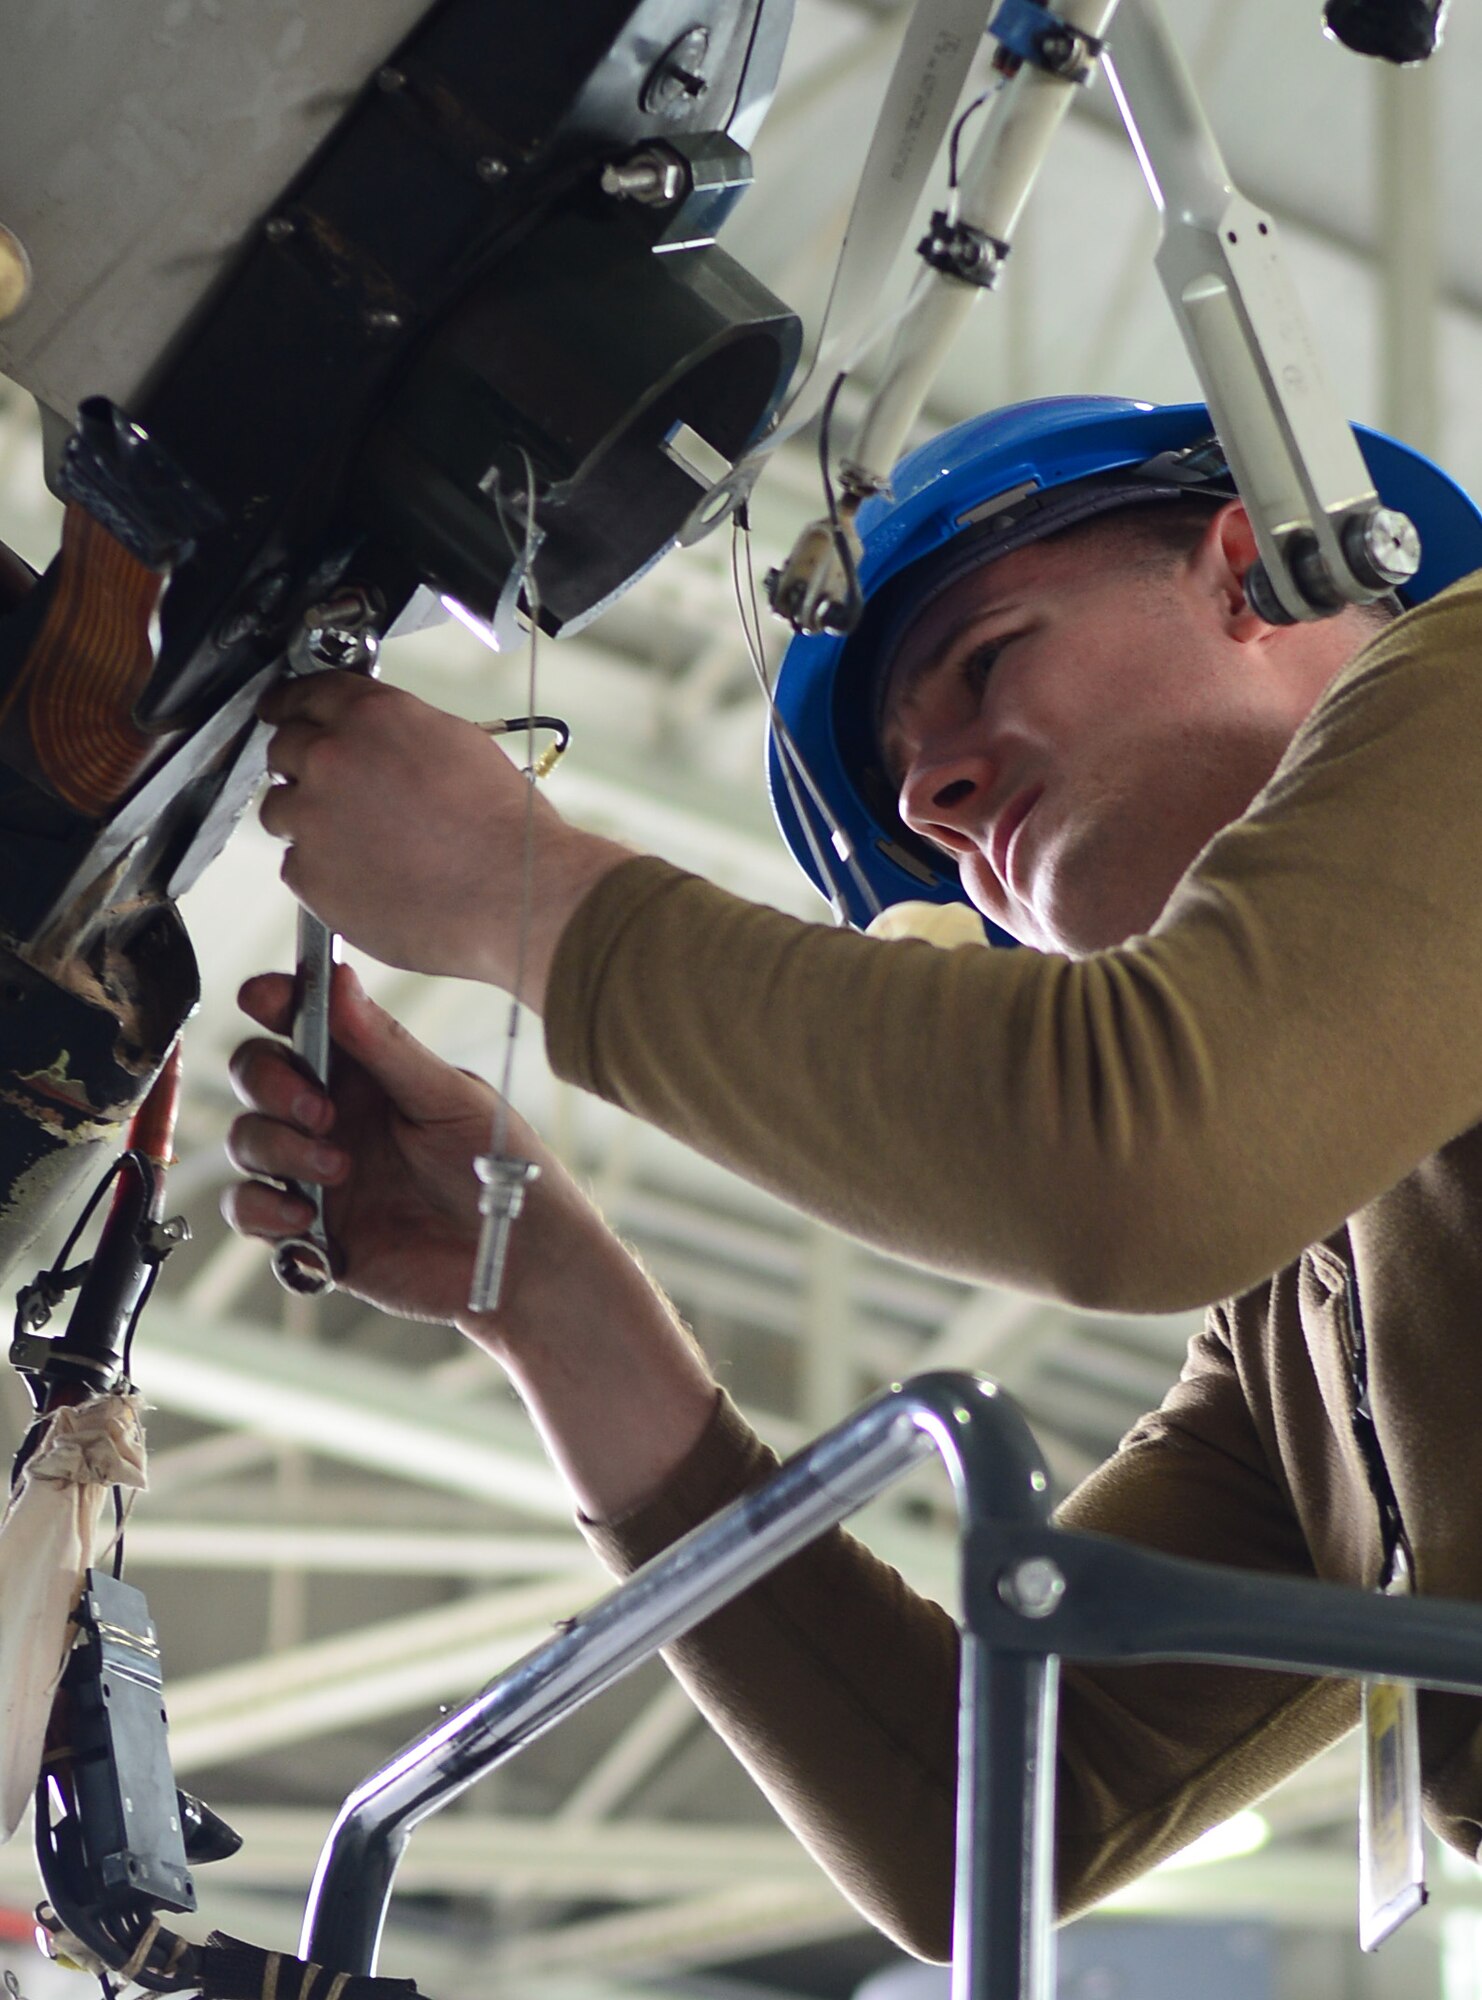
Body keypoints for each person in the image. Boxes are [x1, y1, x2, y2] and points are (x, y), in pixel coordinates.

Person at [226, 394, 1482, 1954]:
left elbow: (1142, 1156)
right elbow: (980, 1815)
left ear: (1245, 569)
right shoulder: (1317, 1301)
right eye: (910, 805)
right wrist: (544, 1292)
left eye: (984, 659)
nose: (927, 803)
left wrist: (522, 894)